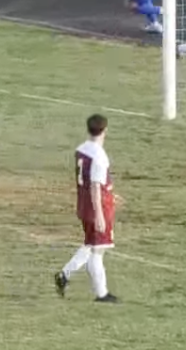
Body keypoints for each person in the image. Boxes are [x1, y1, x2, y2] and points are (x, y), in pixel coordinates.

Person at [54, 114, 121, 304]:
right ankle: (101, 293)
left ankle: (65, 274)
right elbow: (94, 185)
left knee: (92, 245)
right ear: (105, 131)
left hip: (84, 204)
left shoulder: (81, 149)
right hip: (96, 207)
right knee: (98, 249)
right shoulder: (99, 156)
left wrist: (109, 192)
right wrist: (100, 212)